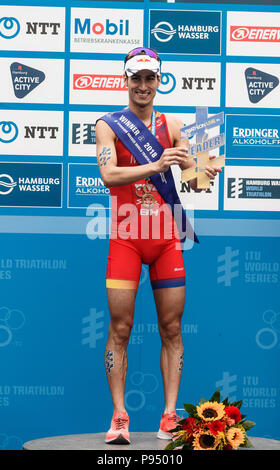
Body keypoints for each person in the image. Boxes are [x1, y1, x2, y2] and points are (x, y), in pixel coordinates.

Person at [95, 47, 221, 445]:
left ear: (159, 81)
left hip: (167, 238)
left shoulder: (175, 124)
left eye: (151, 78)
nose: (144, 86)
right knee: (120, 328)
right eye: (137, 78)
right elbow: (108, 175)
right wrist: (156, 164)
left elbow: (195, 173)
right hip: (126, 239)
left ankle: (169, 416)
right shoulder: (108, 125)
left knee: (172, 329)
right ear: (126, 80)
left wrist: (206, 167)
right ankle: (119, 417)